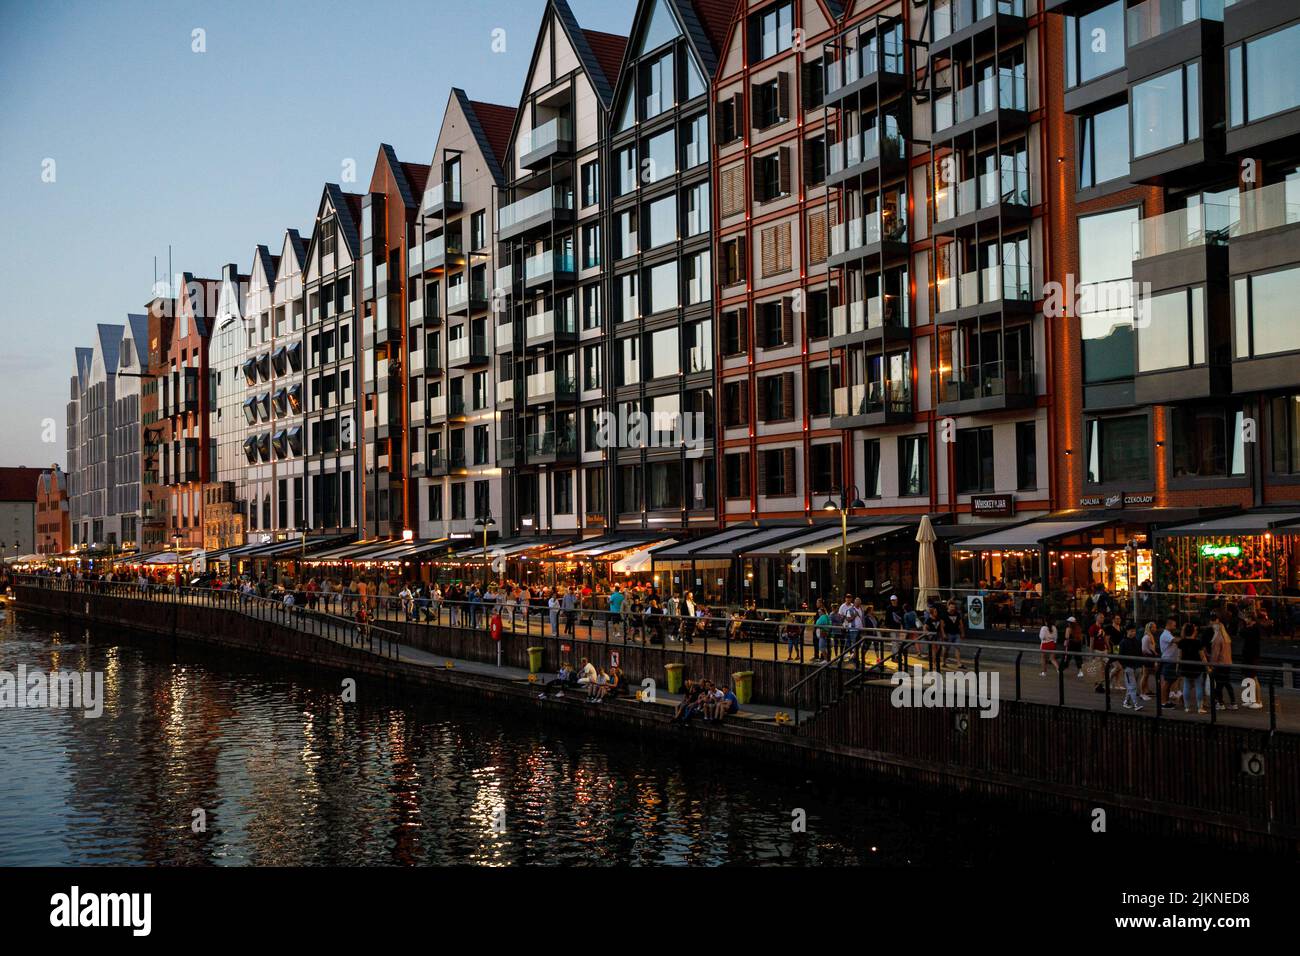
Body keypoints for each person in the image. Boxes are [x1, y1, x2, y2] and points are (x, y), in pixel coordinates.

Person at [1178, 622, 1207, 714]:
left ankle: (1187, 707)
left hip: (1185, 666)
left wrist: (1177, 667)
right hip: (1197, 667)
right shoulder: (1198, 642)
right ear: (1194, 632)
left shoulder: (1181, 642)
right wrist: (1207, 667)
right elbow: (1202, 657)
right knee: (1199, 686)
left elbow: (1179, 656)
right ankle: (1200, 707)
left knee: (1186, 685)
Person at [1209, 619, 1237, 710]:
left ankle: (1220, 703)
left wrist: (1211, 664)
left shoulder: (1217, 639)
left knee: (1219, 684)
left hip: (1220, 664)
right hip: (1228, 663)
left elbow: (1215, 654)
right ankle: (1233, 702)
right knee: (1227, 683)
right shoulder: (1227, 638)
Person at [1118, 623, 1143, 711]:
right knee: (1132, 686)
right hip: (1129, 666)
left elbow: (1140, 653)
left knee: (1131, 686)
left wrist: (1140, 664)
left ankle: (1126, 702)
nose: (1133, 633)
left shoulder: (1137, 641)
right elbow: (1120, 656)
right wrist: (1124, 666)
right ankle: (1136, 704)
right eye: (1131, 631)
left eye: (1134, 631)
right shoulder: (1123, 642)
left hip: (1136, 666)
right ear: (1127, 631)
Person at [1158, 615, 1182, 707]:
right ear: (1168, 625)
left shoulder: (1168, 634)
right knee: (1166, 683)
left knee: (1169, 682)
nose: (1175, 627)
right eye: (1174, 625)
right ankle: (1163, 702)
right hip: (1168, 661)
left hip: (1171, 661)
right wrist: (1185, 638)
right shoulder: (1166, 634)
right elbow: (1175, 640)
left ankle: (1166, 701)